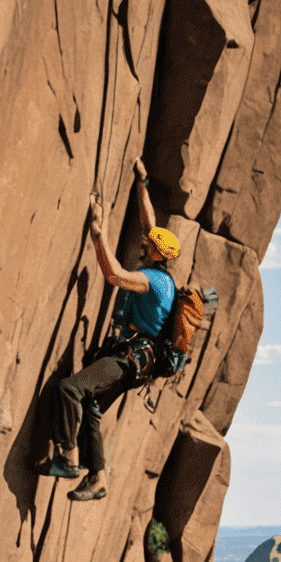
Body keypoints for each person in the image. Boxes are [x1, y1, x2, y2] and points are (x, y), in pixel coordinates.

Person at [42, 157, 179, 502]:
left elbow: (115, 275)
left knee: (71, 389)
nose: (144, 243)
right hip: (132, 355)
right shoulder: (158, 267)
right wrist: (141, 184)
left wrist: (98, 236)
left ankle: (68, 458)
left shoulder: (155, 281)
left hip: (130, 357)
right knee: (92, 407)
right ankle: (98, 478)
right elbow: (151, 225)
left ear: (155, 254)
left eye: (148, 245)